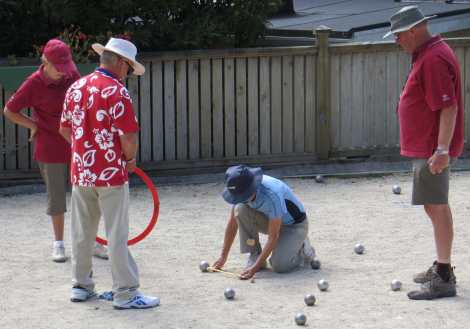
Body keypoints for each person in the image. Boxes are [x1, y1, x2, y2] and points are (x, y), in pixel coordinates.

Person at [59, 37, 159, 309]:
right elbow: (129, 137)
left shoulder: (76, 88)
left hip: (82, 172)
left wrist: (83, 149)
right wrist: (130, 160)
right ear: (120, 62)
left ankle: (81, 286)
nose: (127, 72)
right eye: (128, 67)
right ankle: (125, 292)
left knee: (82, 232)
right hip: (111, 174)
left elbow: (65, 129)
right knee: (116, 233)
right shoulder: (117, 92)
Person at [3, 39, 108, 262]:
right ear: (46, 63)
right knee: (56, 197)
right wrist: (33, 125)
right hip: (49, 146)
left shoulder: (72, 76)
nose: (64, 73)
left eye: (65, 68)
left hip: (77, 143)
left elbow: (86, 102)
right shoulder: (33, 83)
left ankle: (93, 241)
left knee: (89, 193)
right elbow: (9, 110)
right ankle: (59, 244)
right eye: (59, 69)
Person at [385, 6, 464, 300]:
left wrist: (441, 150)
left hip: (433, 149)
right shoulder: (430, 52)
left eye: (398, 35)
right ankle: (442, 268)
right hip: (429, 147)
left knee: (436, 206)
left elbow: (449, 106)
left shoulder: (433, 57)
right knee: (434, 205)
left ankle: (443, 276)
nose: (396, 41)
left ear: (414, 30)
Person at [213, 165, 318, 280]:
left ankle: (302, 248)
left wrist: (254, 268)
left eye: (242, 196)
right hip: (271, 221)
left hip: (294, 226)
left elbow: (273, 237)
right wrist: (223, 257)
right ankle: (255, 254)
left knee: (280, 266)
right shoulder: (240, 190)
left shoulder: (272, 194)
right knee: (240, 209)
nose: (239, 198)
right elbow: (233, 224)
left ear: (251, 188)